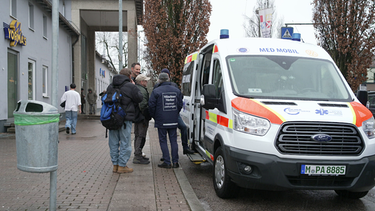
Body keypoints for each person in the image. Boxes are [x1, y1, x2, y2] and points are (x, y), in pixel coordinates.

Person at [106, 68, 143, 174]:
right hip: (125, 118)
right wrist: (133, 85)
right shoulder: (130, 86)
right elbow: (139, 98)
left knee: (113, 142)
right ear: (129, 76)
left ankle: (115, 165)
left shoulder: (111, 86)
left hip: (112, 118)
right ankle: (122, 165)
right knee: (125, 142)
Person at [154, 68, 195, 157]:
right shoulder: (157, 86)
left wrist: (176, 111)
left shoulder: (174, 86)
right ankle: (165, 156)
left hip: (173, 114)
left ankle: (185, 147)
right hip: (166, 114)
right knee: (169, 138)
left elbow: (179, 99)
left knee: (183, 127)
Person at [149, 72, 183, 168]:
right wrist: (175, 113)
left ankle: (167, 162)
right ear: (168, 79)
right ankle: (175, 162)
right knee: (173, 140)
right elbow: (180, 104)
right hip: (173, 119)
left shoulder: (156, 91)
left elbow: (151, 106)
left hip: (161, 120)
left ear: (159, 80)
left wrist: (155, 116)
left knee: (163, 140)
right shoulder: (176, 91)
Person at [133, 74, 152, 164]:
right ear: (141, 82)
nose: (147, 82)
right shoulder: (142, 91)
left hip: (137, 116)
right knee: (141, 135)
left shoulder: (136, 88)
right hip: (142, 117)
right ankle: (138, 155)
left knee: (137, 135)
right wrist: (147, 115)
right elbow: (143, 105)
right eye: (145, 81)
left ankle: (138, 154)